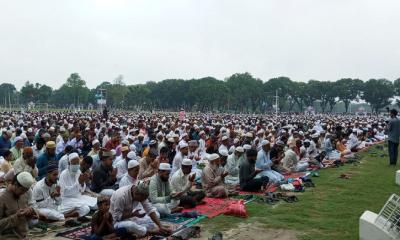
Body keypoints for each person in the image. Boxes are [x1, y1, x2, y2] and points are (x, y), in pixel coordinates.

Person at [0, 172, 38, 239]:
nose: (24, 193)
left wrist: (30, 214)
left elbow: (25, 217)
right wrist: (16, 216)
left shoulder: (23, 194)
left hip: (24, 236)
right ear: (15, 184)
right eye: (22, 190)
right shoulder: (2, 198)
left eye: (26, 191)